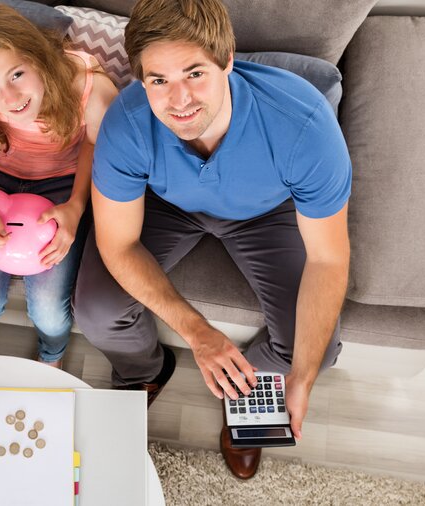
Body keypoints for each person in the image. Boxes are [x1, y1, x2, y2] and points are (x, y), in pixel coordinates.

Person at [73, 0, 351, 480]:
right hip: (166, 203)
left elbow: (327, 260)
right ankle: (144, 371)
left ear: (227, 60)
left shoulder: (304, 124)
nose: (178, 100)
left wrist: (301, 377)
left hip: (267, 212)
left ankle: (243, 389)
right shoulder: (126, 124)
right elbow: (118, 245)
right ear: (142, 79)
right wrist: (199, 334)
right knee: (96, 309)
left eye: (194, 73)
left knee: (316, 349)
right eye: (158, 80)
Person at [0, 4, 117, 367]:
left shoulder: (90, 86)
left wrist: (76, 206)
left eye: (17, 75)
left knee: (50, 313)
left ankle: (52, 355)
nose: (10, 99)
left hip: (62, 185)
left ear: (39, 58)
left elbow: (95, 144)